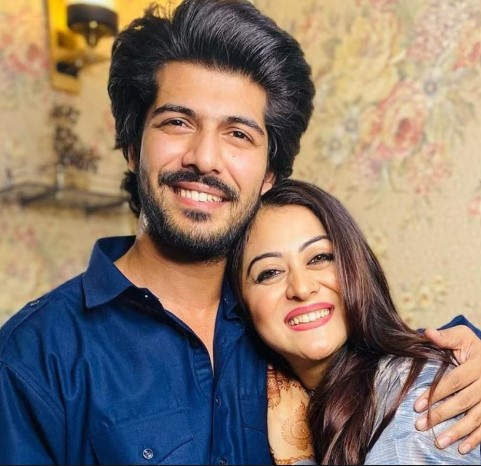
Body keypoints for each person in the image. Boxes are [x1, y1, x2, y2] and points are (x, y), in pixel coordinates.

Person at [0, 0, 480, 464]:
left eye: (238, 134)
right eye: (177, 122)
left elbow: (385, 361)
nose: (205, 158)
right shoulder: (35, 355)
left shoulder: (284, 315)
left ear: (269, 173)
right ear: (131, 146)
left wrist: (469, 351)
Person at [228, 178, 481, 464]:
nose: (301, 287)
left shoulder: (417, 395)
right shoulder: (268, 403)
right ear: (241, 304)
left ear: (355, 266)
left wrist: (296, 458)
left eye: (319, 257)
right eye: (270, 272)